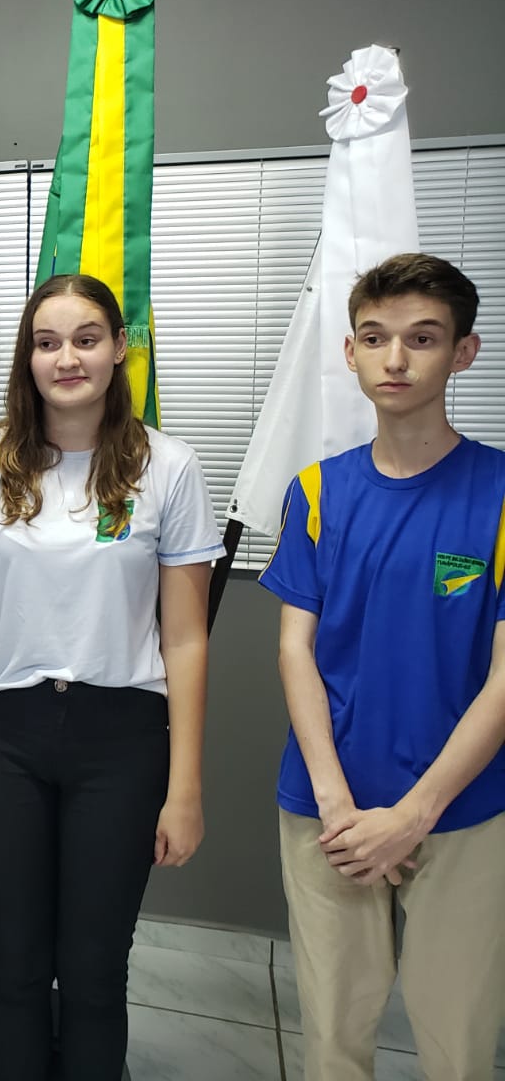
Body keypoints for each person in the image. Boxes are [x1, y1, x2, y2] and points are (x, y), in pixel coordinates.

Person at [0, 273, 222, 1079]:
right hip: (1, 735)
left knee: (92, 971)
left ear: (120, 348)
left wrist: (185, 787)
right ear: (27, 356)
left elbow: (186, 639)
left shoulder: (169, 466)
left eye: (86, 339)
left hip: (121, 740)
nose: (67, 359)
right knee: (15, 964)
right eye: (46, 342)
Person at [258, 252, 505, 1081]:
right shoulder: (316, 492)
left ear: (463, 353)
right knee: (332, 1037)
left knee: (458, 1044)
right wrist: (337, 803)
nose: (395, 358)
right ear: (351, 352)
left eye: (422, 338)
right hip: (327, 809)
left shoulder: (499, 492)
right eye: (375, 337)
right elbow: (295, 650)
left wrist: (414, 814)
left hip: (464, 811)